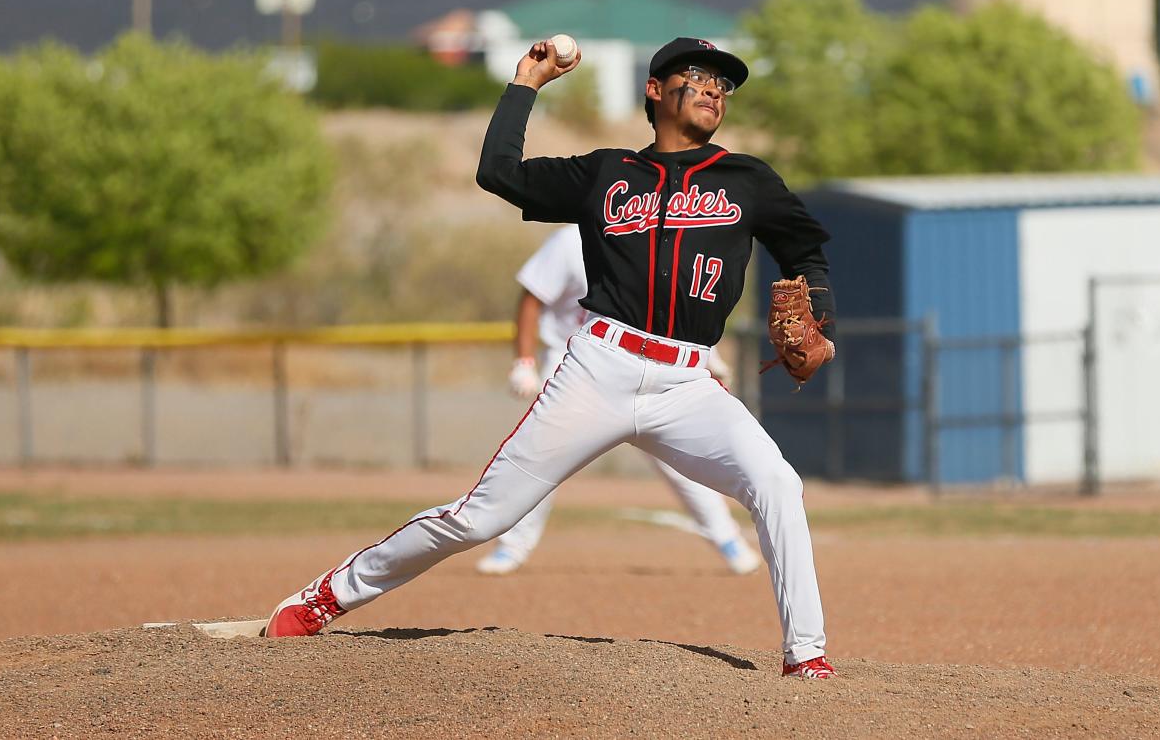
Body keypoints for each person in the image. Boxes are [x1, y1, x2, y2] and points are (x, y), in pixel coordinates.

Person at [265, 36, 839, 680]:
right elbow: (499, 174)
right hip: (601, 369)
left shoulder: (747, 179)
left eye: (724, 85)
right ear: (655, 90)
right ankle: (329, 596)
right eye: (699, 76)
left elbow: (805, 251)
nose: (714, 91)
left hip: (688, 382)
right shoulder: (606, 174)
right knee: (484, 518)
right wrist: (525, 85)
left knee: (778, 485)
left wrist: (822, 315)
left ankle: (806, 655)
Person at [477, 223, 760, 576]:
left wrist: (708, 355)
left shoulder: (656, 238)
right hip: (574, 361)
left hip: (643, 364)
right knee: (543, 455)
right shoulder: (571, 240)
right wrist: (524, 361)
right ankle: (512, 546)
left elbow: (671, 309)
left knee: (678, 460)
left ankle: (727, 539)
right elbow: (532, 298)